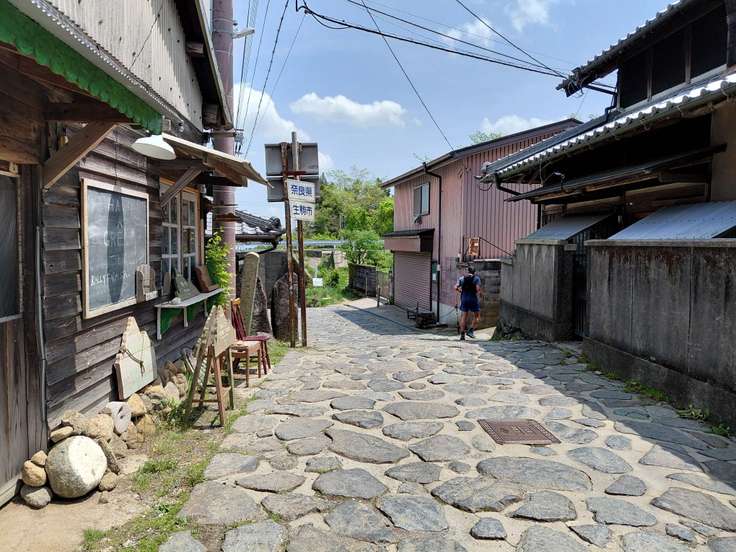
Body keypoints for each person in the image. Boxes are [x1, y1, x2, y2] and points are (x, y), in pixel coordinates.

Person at [455, 266, 481, 340]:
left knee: (463, 317)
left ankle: (462, 335)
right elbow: (477, 289)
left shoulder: (462, 278)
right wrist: (480, 294)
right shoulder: (476, 278)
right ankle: (470, 331)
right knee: (477, 316)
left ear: (468, 271)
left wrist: (461, 291)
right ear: (474, 272)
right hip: (473, 299)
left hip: (464, 299)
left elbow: (455, 287)